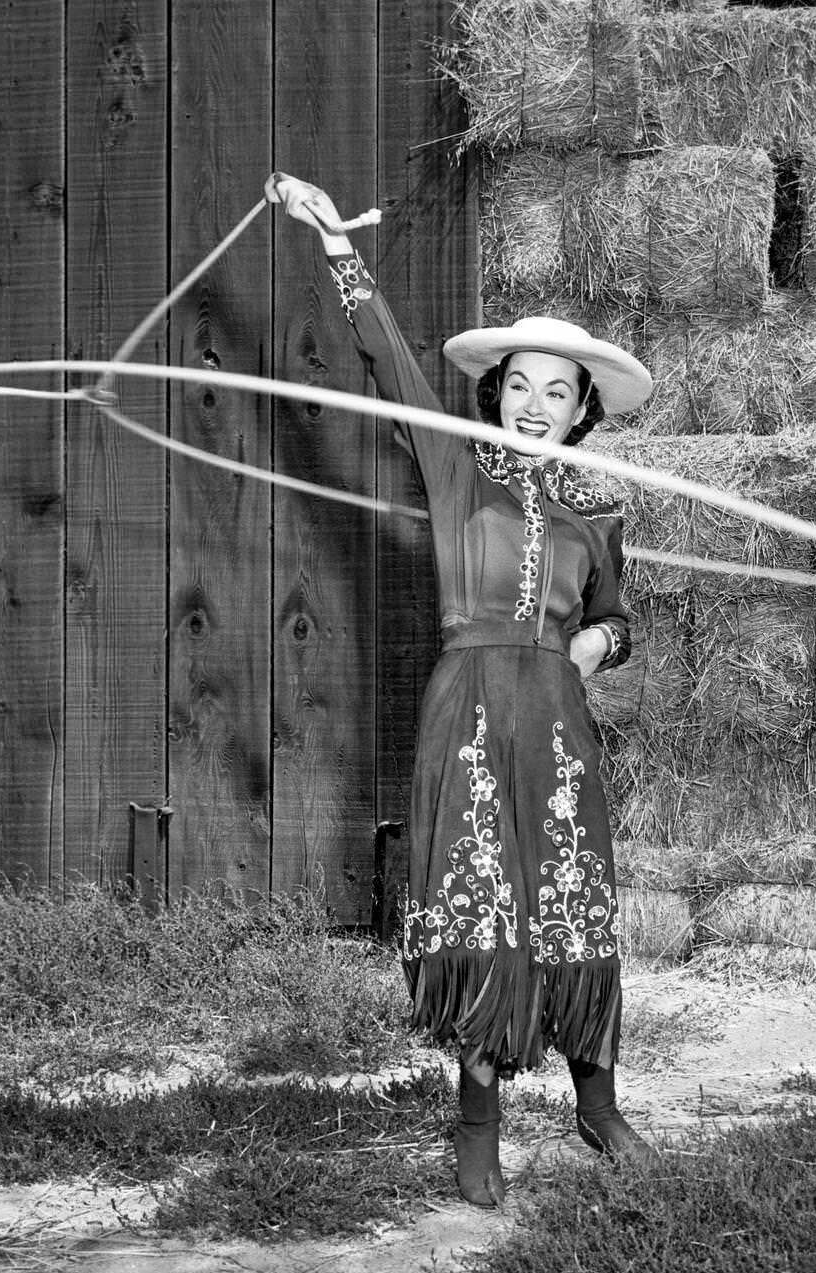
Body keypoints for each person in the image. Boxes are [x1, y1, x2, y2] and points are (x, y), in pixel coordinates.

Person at [266, 173, 656, 1207]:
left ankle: (596, 1100)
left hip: (558, 719)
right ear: (496, 394)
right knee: (484, 903)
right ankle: (476, 1121)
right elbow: (388, 367)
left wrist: (597, 647)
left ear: (579, 414)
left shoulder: (597, 508)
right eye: (519, 383)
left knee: (571, 899)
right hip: (470, 707)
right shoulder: (454, 464)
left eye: (556, 391)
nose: (534, 401)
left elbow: (616, 615)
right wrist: (339, 251)